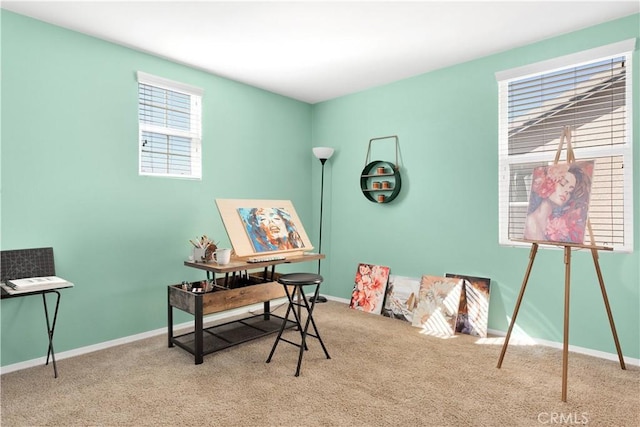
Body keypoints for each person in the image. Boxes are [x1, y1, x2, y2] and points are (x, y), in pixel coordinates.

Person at [523, 162, 592, 243]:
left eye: (570, 191)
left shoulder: (553, 225)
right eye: (562, 184)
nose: (566, 191)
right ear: (549, 181)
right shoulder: (530, 222)